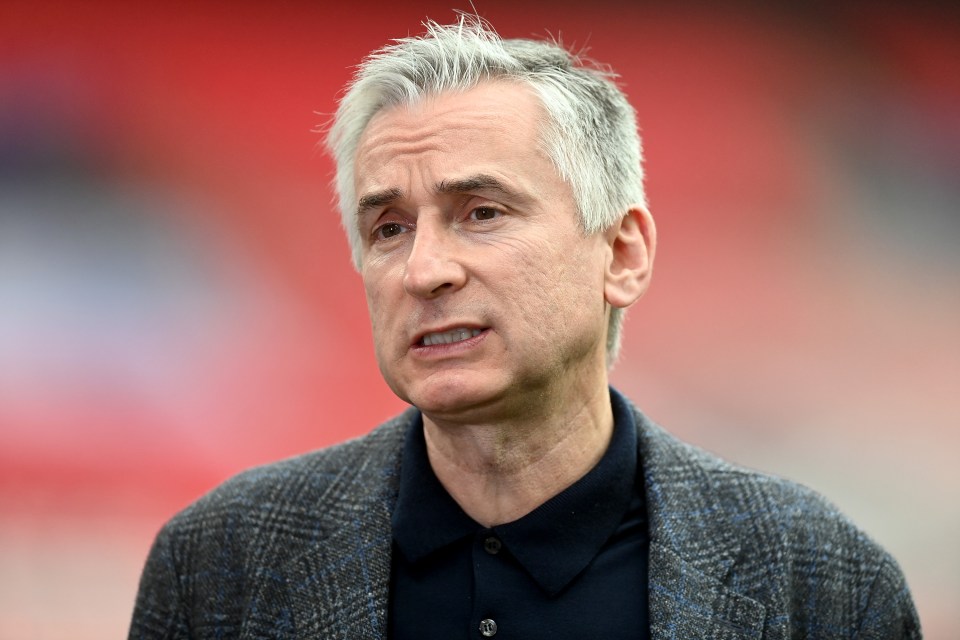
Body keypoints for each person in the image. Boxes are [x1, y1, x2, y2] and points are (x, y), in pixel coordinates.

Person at [129, 17, 921, 640]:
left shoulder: (821, 583)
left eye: (482, 213)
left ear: (622, 253)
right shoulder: (219, 562)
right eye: (389, 229)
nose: (424, 270)